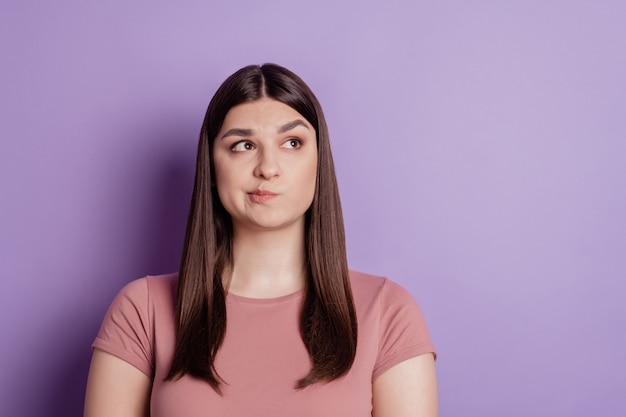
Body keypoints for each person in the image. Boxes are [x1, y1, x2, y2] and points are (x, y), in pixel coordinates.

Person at [84, 63, 438, 417]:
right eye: (243, 145)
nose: (268, 167)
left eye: (292, 143)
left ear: (319, 162)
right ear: (211, 166)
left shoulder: (387, 312)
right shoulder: (142, 311)